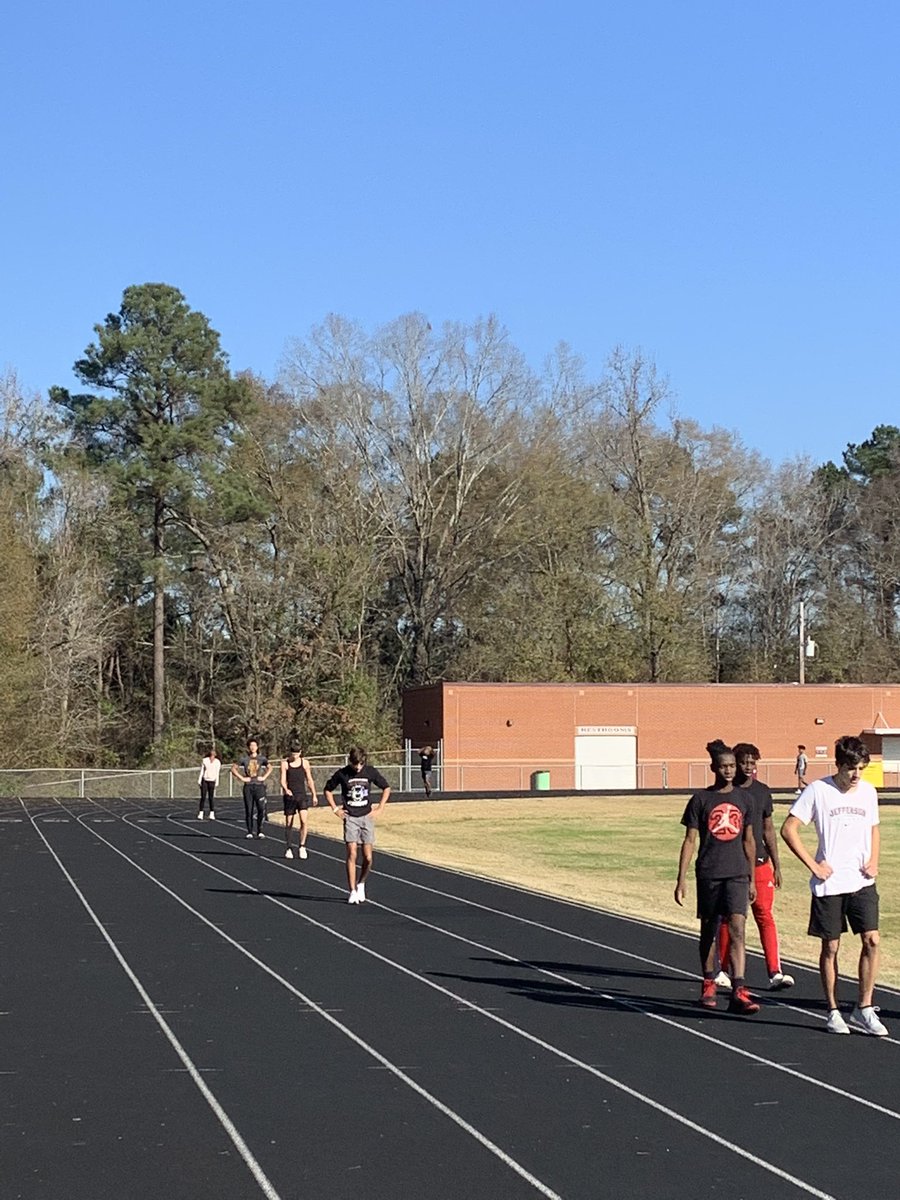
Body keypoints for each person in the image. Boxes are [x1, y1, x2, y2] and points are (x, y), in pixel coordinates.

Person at [781, 735, 888, 1036]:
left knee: (872, 940)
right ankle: (833, 1010)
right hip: (829, 884)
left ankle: (864, 1008)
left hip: (862, 881)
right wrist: (814, 865)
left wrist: (874, 860)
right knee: (831, 946)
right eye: (851, 768)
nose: (856, 774)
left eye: (862, 768)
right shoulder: (818, 790)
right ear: (839, 765)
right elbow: (788, 829)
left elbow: (874, 828)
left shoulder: (867, 792)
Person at [674, 739, 760, 1016]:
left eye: (732, 766)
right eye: (724, 766)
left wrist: (752, 879)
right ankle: (709, 981)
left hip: (737, 874)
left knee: (738, 928)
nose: (729, 770)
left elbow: (749, 840)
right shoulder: (701, 800)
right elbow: (690, 840)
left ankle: (739, 988)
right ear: (713, 768)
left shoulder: (745, 799)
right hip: (710, 873)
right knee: (709, 930)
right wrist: (681, 879)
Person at [716, 743, 794, 991]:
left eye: (752, 762)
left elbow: (769, 830)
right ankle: (723, 970)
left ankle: (775, 971)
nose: (748, 767)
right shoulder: (728, 792)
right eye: (744, 762)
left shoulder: (762, 791)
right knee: (729, 917)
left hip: (761, 865)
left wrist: (777, 865)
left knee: (765, 916)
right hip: (734, 864)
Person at [323, 746, 391, 904]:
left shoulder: (370, 772)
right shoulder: (342, 773)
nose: (358, 767)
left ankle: (361, 883)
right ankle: (352, 890)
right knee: (352, 854)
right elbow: (327, 790)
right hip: (350, 818)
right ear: (350, 762)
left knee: (368, 857)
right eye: (355, 764)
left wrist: (380, 807)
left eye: (360, 764)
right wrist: (335, 809)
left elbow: (386, 788)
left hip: (366, 816)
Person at [280, 743, 317, 859]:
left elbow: (309, 779)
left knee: (304, 821)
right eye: (293, 753)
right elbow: (282, 780)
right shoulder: (285, 764)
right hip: (290, 796)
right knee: (289, 823)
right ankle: (289, 847)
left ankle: (302, 846)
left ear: (300, 752)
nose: (295, 755)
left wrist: (314, 794)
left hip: (301, 795)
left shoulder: (305, 763)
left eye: (297, 753)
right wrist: (286, 789)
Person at [231, 738, 272, 839]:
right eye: (251, 745)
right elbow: (233, 768)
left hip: (259, 786)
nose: (253, 747)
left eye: (254, 745)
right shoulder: (244, 759)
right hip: (248, 787)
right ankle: (249, 831)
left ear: (257, 747)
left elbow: (270, 767)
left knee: (261, 808)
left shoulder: (262, 758)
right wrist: (242, 778)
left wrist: (264, 777)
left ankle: (260, 831)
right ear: (248, 747)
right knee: (249, 809)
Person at [197, 747, 221, 820]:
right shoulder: (205, 760)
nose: (213, 755)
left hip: (212, 780)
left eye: (214, 753)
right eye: (212, 753)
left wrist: (217, 782)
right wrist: (199, 780)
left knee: (211, 797)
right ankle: (201, 813)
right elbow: (202, 770)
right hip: (205, 780)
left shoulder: (217, 762)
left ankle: (212, 813)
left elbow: (217, 772)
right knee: (203, 797)